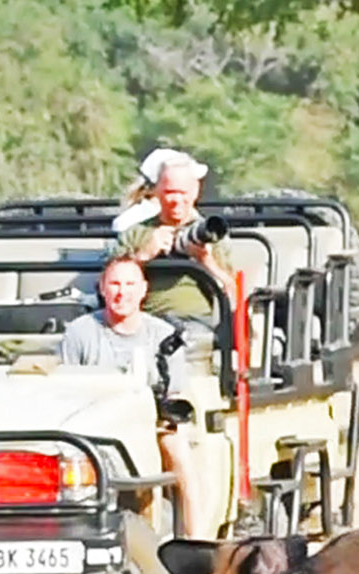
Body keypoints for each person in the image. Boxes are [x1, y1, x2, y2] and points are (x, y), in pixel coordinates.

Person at [58, 257, 200, 538]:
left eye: (129, 284)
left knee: (179, 452)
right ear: (101, 288)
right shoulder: (79, 332)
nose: (121, 293)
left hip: (150, 424)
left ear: (143, 290)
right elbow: (66, 389)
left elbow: (175, 392)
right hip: (93, 426)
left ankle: (194, 541)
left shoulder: (164, 335)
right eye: (114, 284)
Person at [109, 149, 232, 337]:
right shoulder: (136, 233)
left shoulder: (211, 235)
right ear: (156, 191)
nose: (177, 201)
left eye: (183, 193)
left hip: (195, 321)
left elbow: (233, 293)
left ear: (195, 192)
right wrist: (143, 256)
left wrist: (205, 260)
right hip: (144, 319)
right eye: (169, 192)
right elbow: (107, 284)